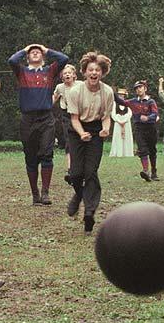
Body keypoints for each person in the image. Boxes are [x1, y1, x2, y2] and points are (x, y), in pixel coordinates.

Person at [8, 43, 69, 205]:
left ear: (43, 56)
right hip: (27, 119)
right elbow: (12, 60)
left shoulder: (49, 71)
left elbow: (64, 59)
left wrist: (47, 50)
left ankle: (45, 193)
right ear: (28, 57)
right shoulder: (22, 72)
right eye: (32, 52)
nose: (35, 53)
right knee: (31, 157)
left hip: (46, 118)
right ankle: (35, 193)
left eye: (38, 52)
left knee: (47, 154)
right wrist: (25, 49)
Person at [65, 52, 114, 233]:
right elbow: (74, 118)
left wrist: (106, 129)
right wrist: (81, 133)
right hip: (77, 130)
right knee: (76, 173)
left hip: (96, 131)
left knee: (90, 172)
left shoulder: (107, 92)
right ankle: (78, 195)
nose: (94, 73)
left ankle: (89, 213)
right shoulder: (75, 91)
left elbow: (106, 117)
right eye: (90, 70)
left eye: (97, 70)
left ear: (102, 72)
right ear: (84, 72)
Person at [116, 81, 160, 181]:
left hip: (150, 128)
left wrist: (148, 118)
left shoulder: (151, 101)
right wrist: (112, 92)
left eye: (140, 87)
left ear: (145, 88)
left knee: (152, 150)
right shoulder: (133, 101)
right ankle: (145, 171)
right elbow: (121, 102)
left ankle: (154, 171)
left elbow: (155, 114)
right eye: (136, 88)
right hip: (139, 128)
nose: (138, 89)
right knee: (142, 149)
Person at [52, 64, 82, 182]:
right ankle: (70, 170)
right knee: (69, 142)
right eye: (65, 73)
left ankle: (81, 168)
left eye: (69, 73)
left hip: (80, 116)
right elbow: (53, 99)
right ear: (62, 77)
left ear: (74, 75)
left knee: (81, 141)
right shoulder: (60, 87)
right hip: (67, 116)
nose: (67, 75)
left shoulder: (81, 85)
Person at [109, 88, 134, 157]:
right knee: (118, 138)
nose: (121, 96)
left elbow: (130, 113)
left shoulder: (127, 103)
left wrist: (124, 120)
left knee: (127, 138)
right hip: (118, 122)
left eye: (122, 95)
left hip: (126, 123)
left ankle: (127, 153)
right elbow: (112, 114)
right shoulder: (115, 103)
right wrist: (119, 121)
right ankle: (118, 153)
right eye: (120, 95)